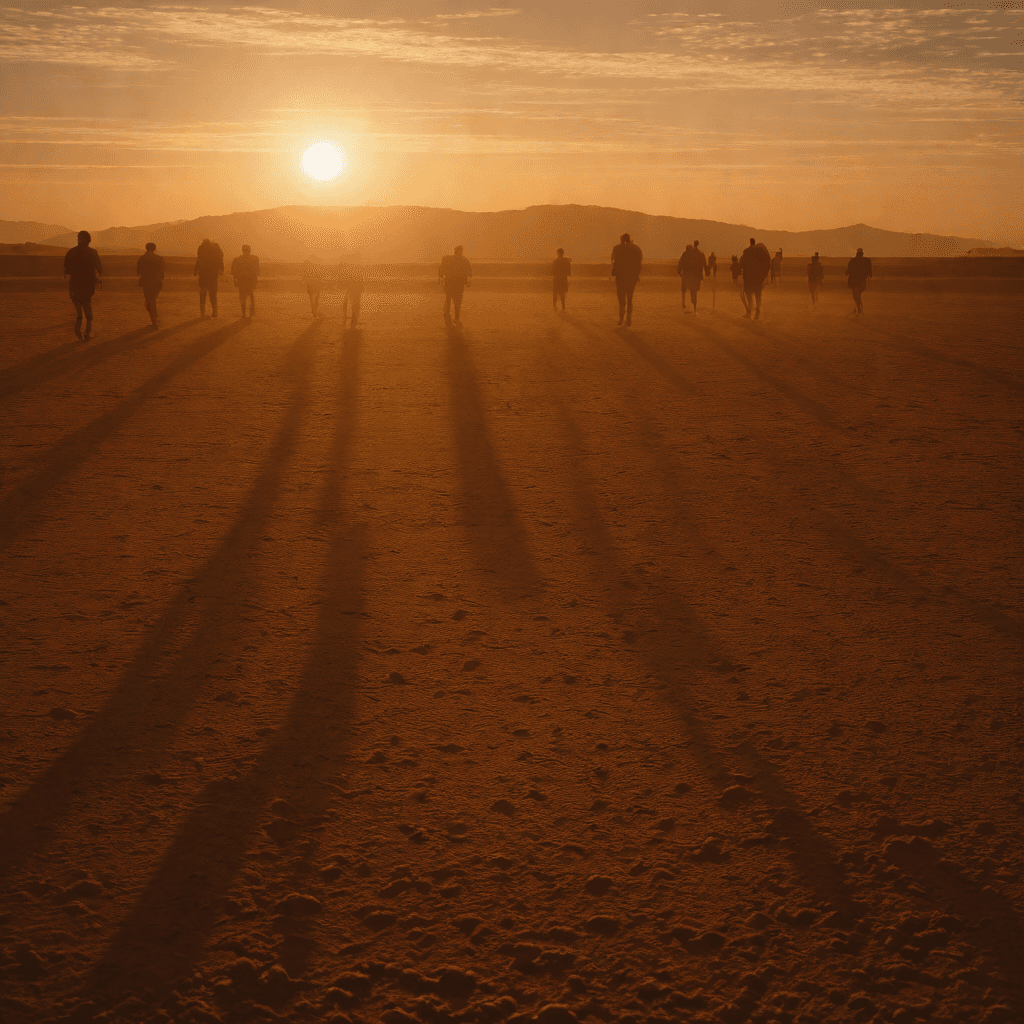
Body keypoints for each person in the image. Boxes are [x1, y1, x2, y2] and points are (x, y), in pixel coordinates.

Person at [63, 230, 102, 340]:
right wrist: (98, 280)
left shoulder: (71, 252)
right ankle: (87, 332)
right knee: (88, 307)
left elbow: (66, 271)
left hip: (74, 284)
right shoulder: (93, 252)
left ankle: (78, 328)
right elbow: (99, 269)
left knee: (78, 308)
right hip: (88, 285)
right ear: (89, 240)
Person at [610, 232, 643, 326]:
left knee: (621, 297)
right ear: (630, 239)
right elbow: (640, 262)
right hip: (632, 276)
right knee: (630, 297)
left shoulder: (617, 248)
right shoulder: (636, 248)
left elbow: (612, 260)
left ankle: (621, 317)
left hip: (620, 275)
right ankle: (628, 317)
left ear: (621, 240)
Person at [739, 237, 772, 319]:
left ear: (750, 243)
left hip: (748, 277)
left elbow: (742, 263)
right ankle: (758, 309)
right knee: (758, 294)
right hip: (758, 277)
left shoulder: (746, 251)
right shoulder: (761, 251)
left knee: (749, 294)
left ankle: (750, 311)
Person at [439, 245, 472, 327]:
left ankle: (449, 317)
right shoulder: (464, 260)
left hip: (451, 283)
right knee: (457, 302)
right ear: (460, 251)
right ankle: (455, 318)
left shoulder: (448, 258)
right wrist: (468, 282)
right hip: (458, 284)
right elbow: (470, 272)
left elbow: (441, 269)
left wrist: (442, 279)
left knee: (449, 300)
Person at [137, 242, 165, 327]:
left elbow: (139, 272)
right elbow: (162, 272)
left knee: (149, 301)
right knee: (152, 300)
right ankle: (155, 318)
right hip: (157, 283)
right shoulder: (160, 259)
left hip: (147, 283)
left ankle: (154, 320)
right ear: (154, 248)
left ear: (146, 248)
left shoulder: (142, 258)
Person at [194, 238, 224, 317]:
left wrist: (196, 270)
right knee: (213, 294)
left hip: (203, 275)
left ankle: (202, 313)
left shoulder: (201, 248)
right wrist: (221, 269)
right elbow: (220, 259)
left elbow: (198, 259)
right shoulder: (216, 248)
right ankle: (215, 312)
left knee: (203, 294)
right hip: (213, 275)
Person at [676, 242, 706, 314]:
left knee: (684, 289)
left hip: (686, 275)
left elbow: (680, 262)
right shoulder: (697, 254)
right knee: (693, 291)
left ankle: (684, 303)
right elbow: (702, 263)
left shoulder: (686, 254)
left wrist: (679, 271)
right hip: (694, 276)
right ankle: (693, 306)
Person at [231, 244, 260, 318]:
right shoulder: (254, 259)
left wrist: (235, 279)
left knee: (242, 296)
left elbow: (234, 271)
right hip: (250, 280)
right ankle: (251, 311)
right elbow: (258, 272)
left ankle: (243, 313)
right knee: (250, 294)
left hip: (242, 280)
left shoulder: (238, 259)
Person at [846, 247, 872, 315]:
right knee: (858, 294)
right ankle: (859, 308)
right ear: (862, 253)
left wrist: (847, 273)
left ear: (857, 253)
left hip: (854, 281)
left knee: (855, 295)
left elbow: (848, 270)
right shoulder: (867, 260)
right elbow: (869, 270)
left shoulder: (852, 261)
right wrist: (869, 276)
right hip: (862, 281)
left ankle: (859, 307)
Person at [338, 261, 364, 328]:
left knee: (353, 305)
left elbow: (346, 283)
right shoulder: (354, 270)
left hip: (354, 290)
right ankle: (353, 322)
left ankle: (352, 322)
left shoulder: (350, 271)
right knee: (355, 305)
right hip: (355, 289)